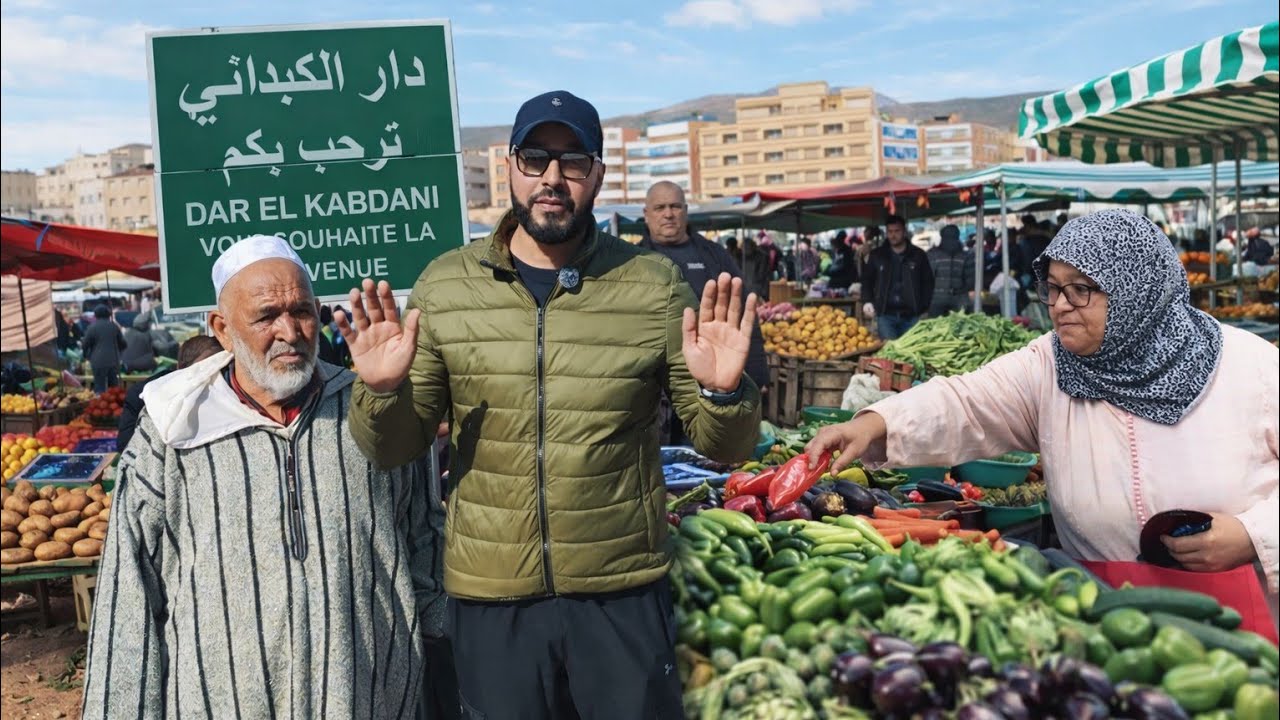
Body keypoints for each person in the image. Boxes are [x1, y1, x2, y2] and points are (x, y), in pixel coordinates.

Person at [337, 90, 761, 720]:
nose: (553, 178)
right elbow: (393, 447)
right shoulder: (446, 286)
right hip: (492, 595)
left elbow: (724, 446)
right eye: (535, 158)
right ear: (510, 167)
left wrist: (722, 391)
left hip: (619, 592)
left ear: (599, 176)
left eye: (574, 161)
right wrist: (381, 392)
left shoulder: (651, 285)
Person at [808, 209, 1278, 623]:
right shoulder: (1051, 365)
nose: (1059, 306)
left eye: (1081, 290)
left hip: (1245, 617)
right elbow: (965, 402)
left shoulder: (1251, 368)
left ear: (1136, 291)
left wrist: (1253, 536)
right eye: (1053, 288)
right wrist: (874, 423)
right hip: (1104, 616)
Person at [82, 235, 445, 719]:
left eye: (302, 312)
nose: (289, 332)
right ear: (222, 328)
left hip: (365, 695)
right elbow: (128, 590)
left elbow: (425, 541)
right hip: (220, 702)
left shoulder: (371, 408)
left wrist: (449, 661)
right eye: (266, 316)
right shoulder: (174, 428)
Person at [639, 180, 769, 396]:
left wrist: (757, 371)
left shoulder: (714, 254)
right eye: (660, 208)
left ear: (686, 210)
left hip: (711, 375)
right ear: (646, 214)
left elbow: (744, 311)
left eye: (675, 206)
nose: (668, 214)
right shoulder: (636, 259)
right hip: (654, 382)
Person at [116, 334, 224, 451]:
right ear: (179, 369)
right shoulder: (143, 396)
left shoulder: (226, 397)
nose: (210, 380)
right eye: (203, 373)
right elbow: (126, 447)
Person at [861, 214, 934, 339]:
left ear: (904, 232)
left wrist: (923, 307)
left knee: (911, 350)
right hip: (885, 316)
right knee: (888, 349)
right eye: (890, 231)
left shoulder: (918, 255)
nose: (893, 235)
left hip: (912, 316)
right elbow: (867, 280)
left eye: (897, 231)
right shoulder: (877, 255)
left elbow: (928, 282)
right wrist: (867, 301)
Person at [926, 224, 972, 317]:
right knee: (935, 324)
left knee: (960, 324)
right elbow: (926, 279)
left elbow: (970, 281)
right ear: (942, 238)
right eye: (948, 237)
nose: (950, 240)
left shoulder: (966, 256)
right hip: (936, 299)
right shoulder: (932, 255)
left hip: (959, 299)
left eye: (953, 237)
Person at [80, 305, 125, 392]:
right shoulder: (114, 327)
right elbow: (123, 344)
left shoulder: (92, 328)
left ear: (96, 315)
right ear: (108, 315)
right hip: (113, 361)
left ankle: (100, 399)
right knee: (114, 388)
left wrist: (86, 356)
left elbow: (85, 345)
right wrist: (119, 354)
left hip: (97, 361)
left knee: (99, 387)